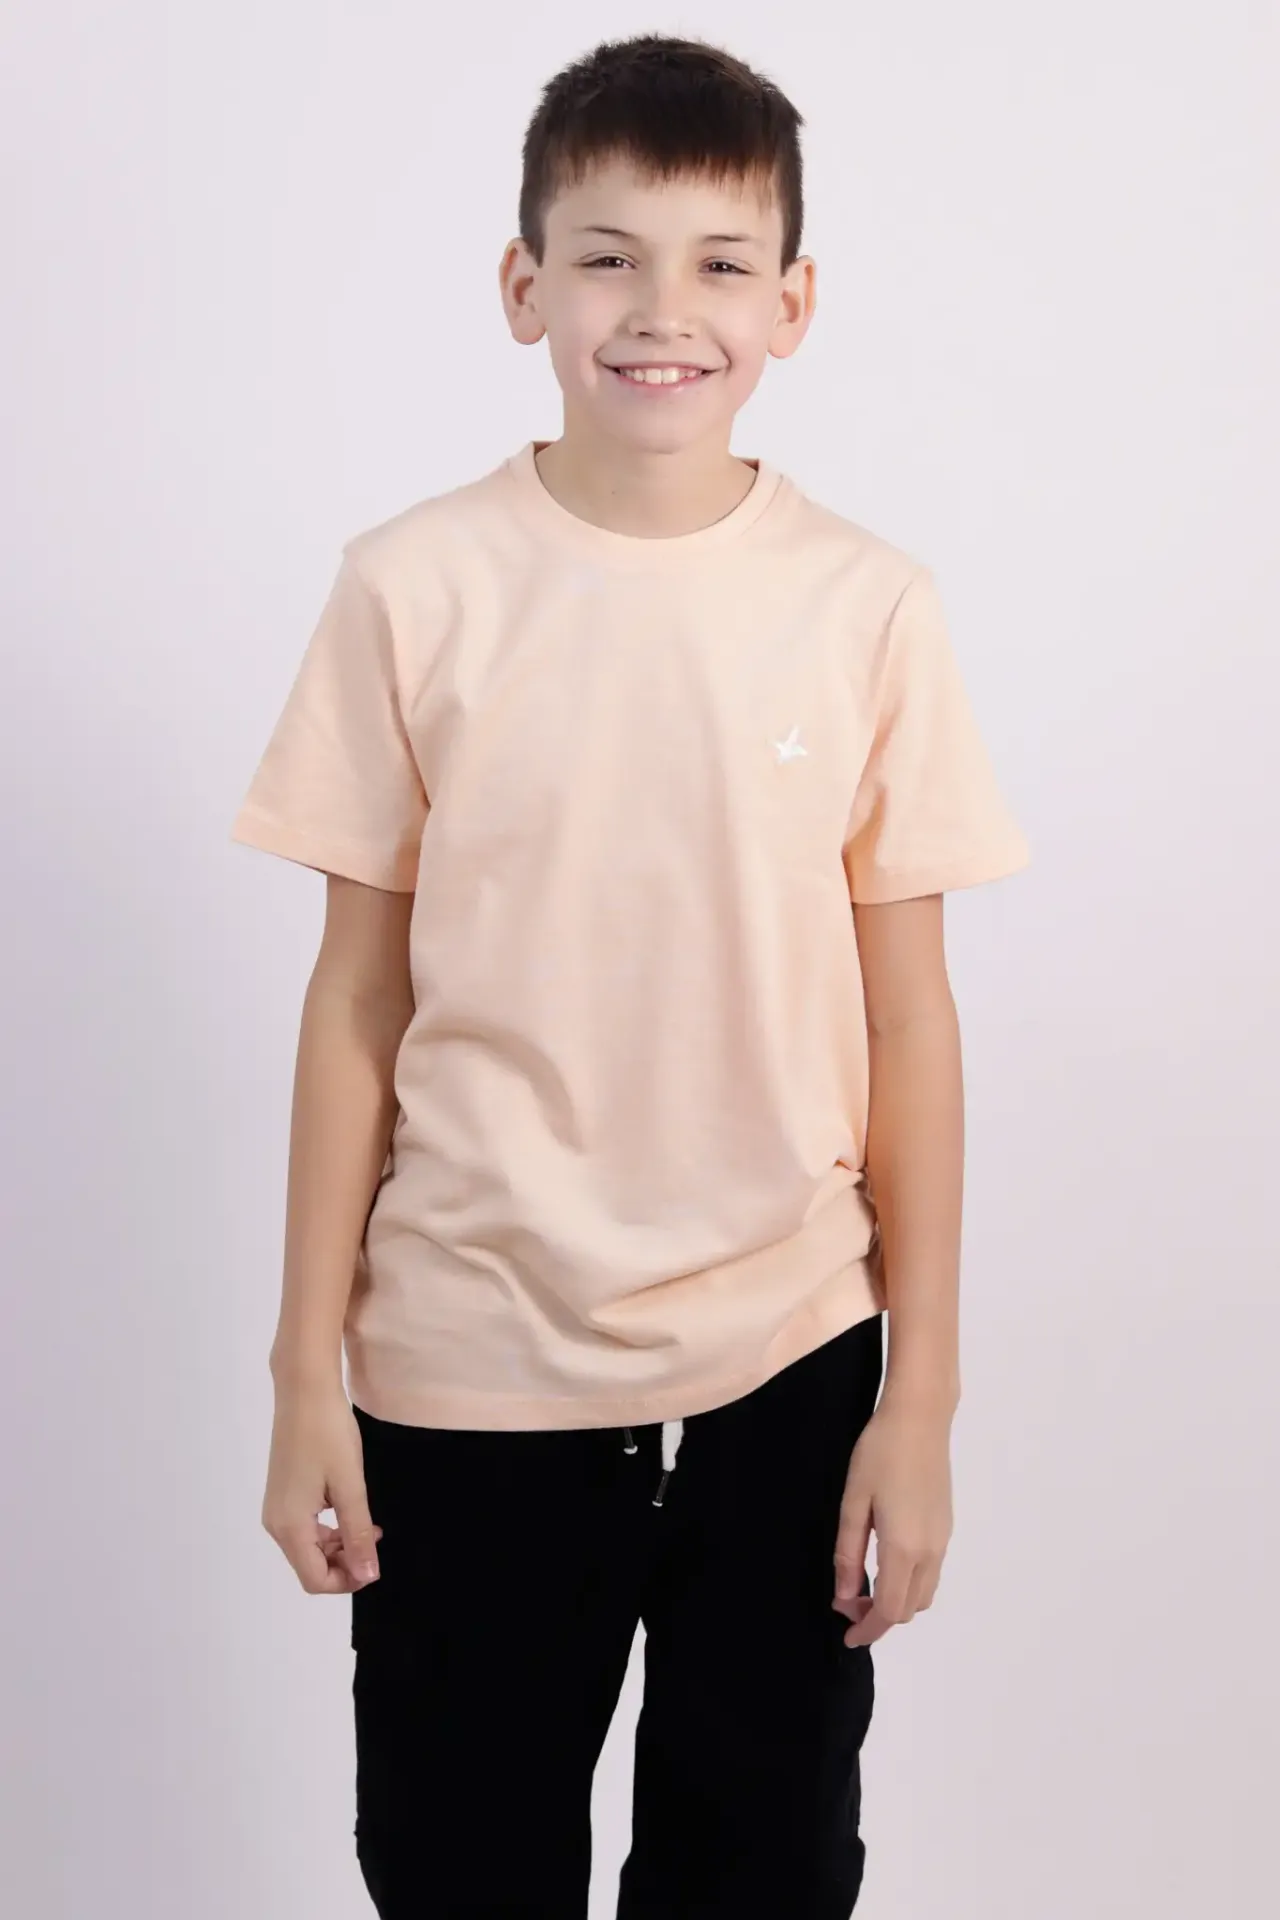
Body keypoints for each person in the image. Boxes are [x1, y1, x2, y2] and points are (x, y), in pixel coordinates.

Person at [231, 30, 1029, 1920]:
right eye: (608, 256)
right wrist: (300, 1374)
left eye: (720, 263)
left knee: (763, 1873)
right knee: (459, 1867)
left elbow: (909, 1019)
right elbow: (355, 1002)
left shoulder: (869, 607)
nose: (664, 310)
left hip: (787, 1359)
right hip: (468, 1355)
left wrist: (921, 1401)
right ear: (525, 287)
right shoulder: (412, 587)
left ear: (792, 304)